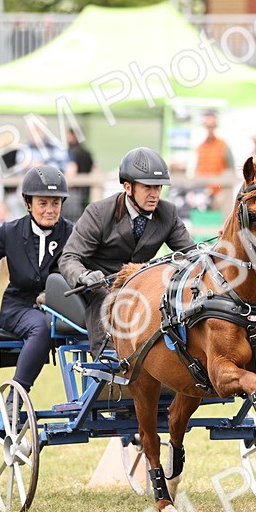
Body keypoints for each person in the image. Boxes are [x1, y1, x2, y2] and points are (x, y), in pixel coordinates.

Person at [57, 147, 195, 357]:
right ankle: (107, 355)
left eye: (158, 187)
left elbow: (189, 254)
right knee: (104, 294)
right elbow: (69, 258)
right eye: (148, 187)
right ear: (128, 187)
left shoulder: (168, 213)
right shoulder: (98, 213)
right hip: (98, 286)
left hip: (139, 284)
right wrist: (84, 276)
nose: (155, 194)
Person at [0, 165, 75, 392]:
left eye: (55, 203)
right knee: (42, 328)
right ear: (28, 204)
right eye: (42, 203)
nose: (49, 210)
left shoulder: (72, 234)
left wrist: (57, 294)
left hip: (61, 309)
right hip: (19, 307)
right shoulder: (9, 232)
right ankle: (16, 395)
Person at [194, 111, 233, 204]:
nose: (209, 130)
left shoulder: (223, 145)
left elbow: (231, 170)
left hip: (220, 193)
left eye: (212, 126)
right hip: (202, 192)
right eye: (207, 127)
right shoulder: (200, 147)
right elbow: (197, 168)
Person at [63, 128, 95, 222]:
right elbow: (94, 168)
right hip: (85, 191)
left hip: (73, 192)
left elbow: (72, 169)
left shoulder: (71, 151)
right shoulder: (86, 152)